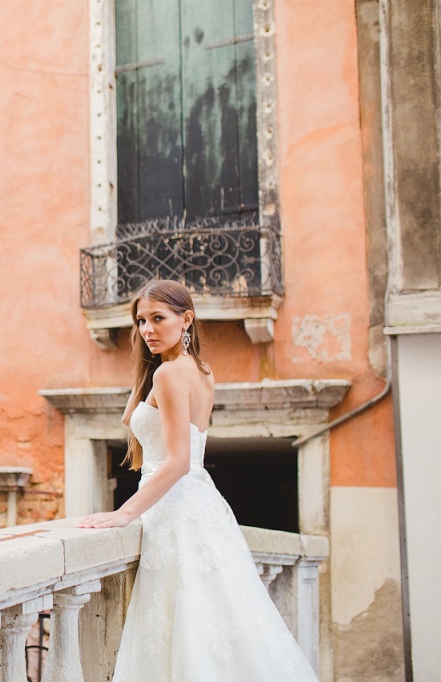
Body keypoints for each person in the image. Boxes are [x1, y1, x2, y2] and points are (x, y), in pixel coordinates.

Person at [76, 279, 318, 681]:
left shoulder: (169, 375)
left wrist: (124, 514)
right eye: (141, 321)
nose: (147, 329)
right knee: (217, 621)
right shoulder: (201, 371)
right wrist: (148, 363)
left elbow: (178, 462)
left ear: (186, 319)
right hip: (200, 503)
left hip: (173, 506)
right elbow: (132, 418)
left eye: (158, 318)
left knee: (184, 626)